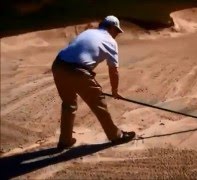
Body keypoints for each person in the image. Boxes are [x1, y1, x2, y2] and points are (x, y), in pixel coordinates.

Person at [52, 15, 135, 149]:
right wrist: (115, 91)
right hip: (77, 70)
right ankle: (116, 136)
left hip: (58, 65)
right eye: (117, 31)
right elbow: (113, 70)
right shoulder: (110, 41)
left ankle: (65, 140)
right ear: (111, 28)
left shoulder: (88, 32)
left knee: (69, 104)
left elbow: (73, 50)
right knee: (98, 103)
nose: (117, 35)